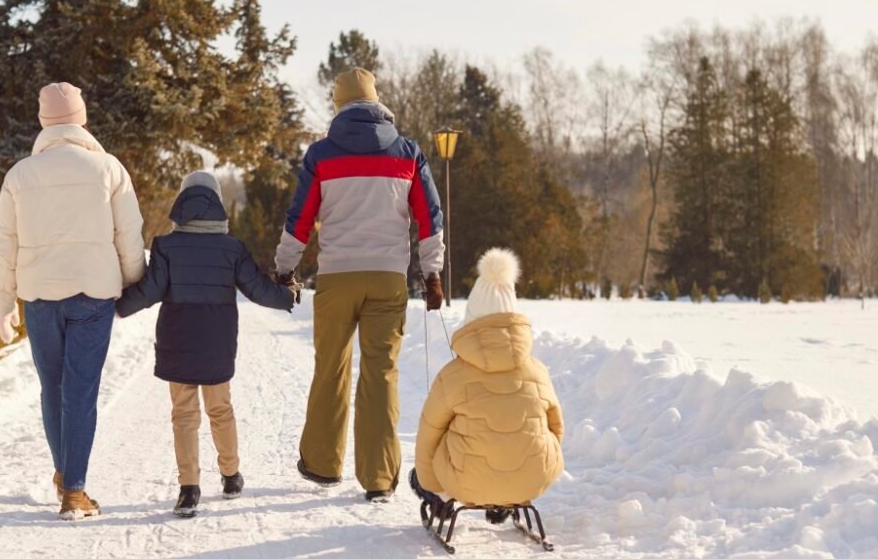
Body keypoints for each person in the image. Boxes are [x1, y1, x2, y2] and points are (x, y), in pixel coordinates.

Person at [274, 67, 445, 502]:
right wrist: (432, 273)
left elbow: (300, 219)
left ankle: (322, 464)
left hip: (337, 277)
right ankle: (379, 478)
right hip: (388, 277)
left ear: (339, 105)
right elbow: (429, 219)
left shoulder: (321, 155)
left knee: (330, 366)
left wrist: (284, 269)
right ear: (377, 102)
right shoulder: (408, 153)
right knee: (380, 373)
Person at [0, 82, 145, 520]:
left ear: (43, 122)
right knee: (80, 391)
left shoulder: (19, 175)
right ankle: (73, 490)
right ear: (82, 119)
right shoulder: (108, 168)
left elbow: (6, 245)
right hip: (94, 294)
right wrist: (134, 281)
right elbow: (127, 234)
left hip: (39, 297)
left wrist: (4, 301)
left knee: (52, 388)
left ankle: (65, 475)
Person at [116, 171, 295, 517]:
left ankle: (188, 489)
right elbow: (257, 289)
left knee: (184, 414)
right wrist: (286, 297)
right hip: (217, 338)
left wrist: (118, 306)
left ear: (182, 204)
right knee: (220, 409)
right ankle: (230, 476)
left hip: (177, 336)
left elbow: (150, 291)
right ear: (217, 205)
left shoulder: (166, 246)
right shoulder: (232, 249)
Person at [410, 248, 564, 519]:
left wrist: (431, 484)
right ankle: (506, 496)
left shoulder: (453, 375)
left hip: (467, 482)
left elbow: (428, 436)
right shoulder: (538, 371)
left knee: (446, 428)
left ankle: (448, 500)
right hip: (533, 479)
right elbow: (556, 428)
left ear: (472, 318)